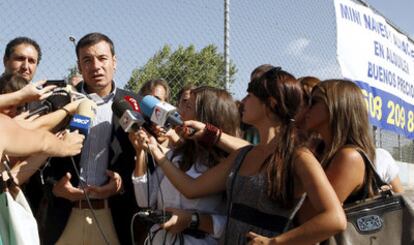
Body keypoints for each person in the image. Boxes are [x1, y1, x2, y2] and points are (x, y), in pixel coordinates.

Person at [138, 67, 346, 244]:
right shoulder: (244, 155)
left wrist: (276, 242)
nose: (243, 101)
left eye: (250, 96)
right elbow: (192, 188)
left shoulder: (299, 158)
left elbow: (335, 219)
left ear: (271, 104)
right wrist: (155, 151)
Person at [41, 32, 140, 245]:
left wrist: (120, 186)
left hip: (112, 218)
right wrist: (54, 187)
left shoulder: (134, 105)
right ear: (79, 66)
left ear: (114, 61)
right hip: (64, 218)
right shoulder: (59, 103)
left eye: (102, 58)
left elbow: (144, 163)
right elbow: (40, 156)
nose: (96, 66)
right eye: (87, 60)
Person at [131, 86, 240, 244]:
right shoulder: (175, 155)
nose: (180, 113)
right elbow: (145, 200)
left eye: (188, 107)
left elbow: (232, 224)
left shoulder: (227, 164)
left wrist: (194, 220)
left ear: (206, 116)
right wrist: (141, 152)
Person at [298, 79, 379, 224]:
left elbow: (307, 216)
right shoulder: (320, 149)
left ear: (336, 107)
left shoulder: (349, 157)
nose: (306, 109)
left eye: (314, 102)